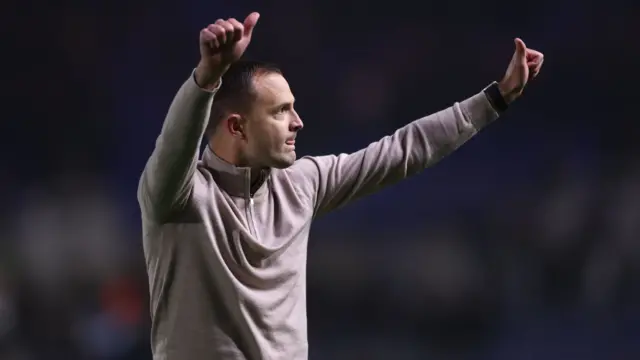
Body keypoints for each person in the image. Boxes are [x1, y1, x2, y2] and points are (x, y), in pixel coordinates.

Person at [137, 11, 544, 360]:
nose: (298, 122)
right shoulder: (178, 197)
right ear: (237, 126)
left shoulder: (301, 184)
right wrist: (206, 78)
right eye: (281, 112)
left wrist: (496, 98)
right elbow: (174, 146)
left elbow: (403, 149)